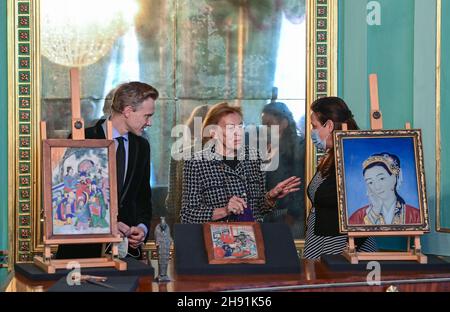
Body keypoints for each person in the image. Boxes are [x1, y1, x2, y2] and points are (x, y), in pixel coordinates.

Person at [56, 81, 159, 259]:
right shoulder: (83, 138)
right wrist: (110, 224)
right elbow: (69, 197)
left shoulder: (142, 146)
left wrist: (142, 228)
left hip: (126, 253)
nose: (149, 122)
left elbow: (143, 197)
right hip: (81, 253)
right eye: (147, 116)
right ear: (127, 111)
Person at [180, 102, 301, 224]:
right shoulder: (196, 163)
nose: (238, 133)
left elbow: (259, 209)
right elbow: (187, 215)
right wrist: (225, 210)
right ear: (213, 132)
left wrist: (270, 197)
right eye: (231, 128)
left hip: (252, 237)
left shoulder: (255, 157)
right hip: (218, 239)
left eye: (240, 126)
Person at [303, 96, 377, 259]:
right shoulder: (332, 156)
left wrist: (348, 249)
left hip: (344, 248)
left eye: (314, 126)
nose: (312, 131)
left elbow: (367, 208)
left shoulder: (355, 158)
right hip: (323, 242)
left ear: (329, 125)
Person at [261, 102, 306, 238]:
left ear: (284, 124)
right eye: (263, 125)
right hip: (269, 215)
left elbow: (299, 181)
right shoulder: (266, 147)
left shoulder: (298, 148)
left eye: (269, 125)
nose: (265, 129)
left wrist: (292, 214)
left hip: (290, 216)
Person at [165, 104, 210, 224]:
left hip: (183, 222)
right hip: (215, 223)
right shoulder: (222, 154)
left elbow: (171, 199)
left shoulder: (179, 153)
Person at [349, 152, 421, 225]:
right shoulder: (358, 217)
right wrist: (375, 212)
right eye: (370, 182)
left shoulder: (415, 215)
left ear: (395, 177)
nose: (377, 187)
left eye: (381, 178)